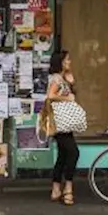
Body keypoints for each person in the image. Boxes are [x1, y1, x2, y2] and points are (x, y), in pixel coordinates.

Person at [46, 50, 79, 206]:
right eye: (67, 60)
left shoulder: (62, 78)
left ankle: (56, 188)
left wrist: (71, 83)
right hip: (60, 121)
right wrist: (67, 97)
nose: (69, 62)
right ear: (60, 62)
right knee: (73, 152)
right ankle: (68, 187)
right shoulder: (57, 78)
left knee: (63, 155)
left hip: (64, 120)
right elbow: (51, 96)